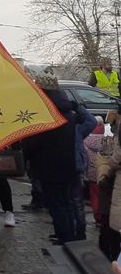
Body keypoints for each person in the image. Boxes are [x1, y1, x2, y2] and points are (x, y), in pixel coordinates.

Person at [24, 73, 96, 245]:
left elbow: (31, 144)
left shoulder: (43, 112)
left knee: (57, 204)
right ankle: (73, 237)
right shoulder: (68, 110)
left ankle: (66, 238)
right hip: (70, 165)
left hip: (49, 167)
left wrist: (27, 156)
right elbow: (90, 121)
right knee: (69, 203)